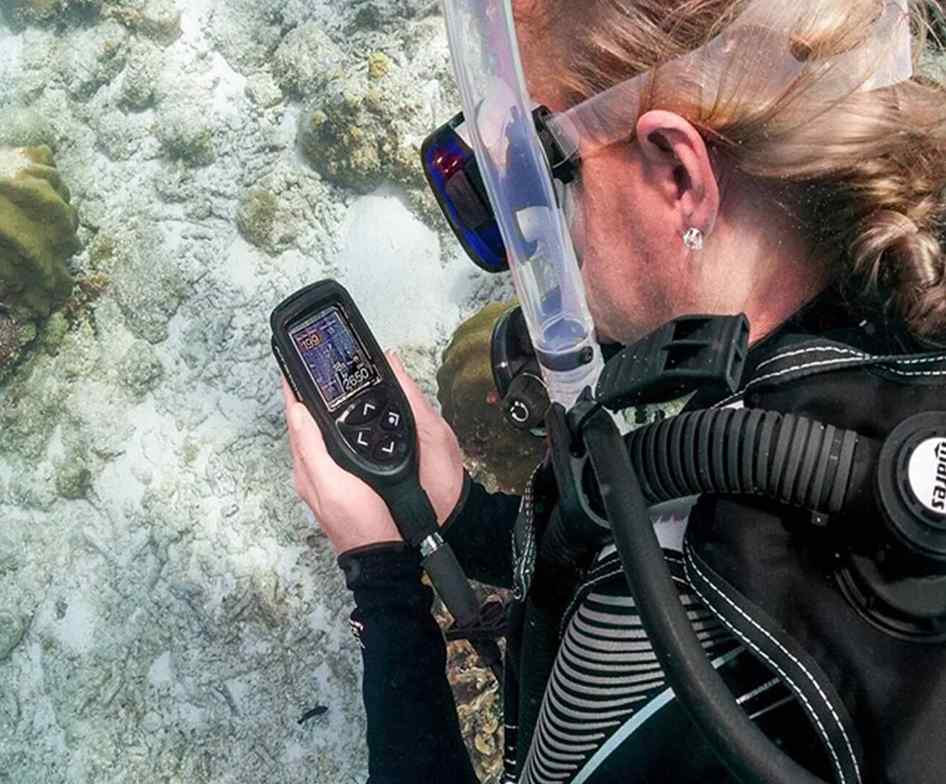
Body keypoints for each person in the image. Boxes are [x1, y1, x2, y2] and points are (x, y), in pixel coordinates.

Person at [282, 0, 946, 781]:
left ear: (676, 175)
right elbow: (648, 518)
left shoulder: (693, 662)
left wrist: (382, 575)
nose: (536, 236)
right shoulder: (887, 308)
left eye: (541, 177)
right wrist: (462, 517)